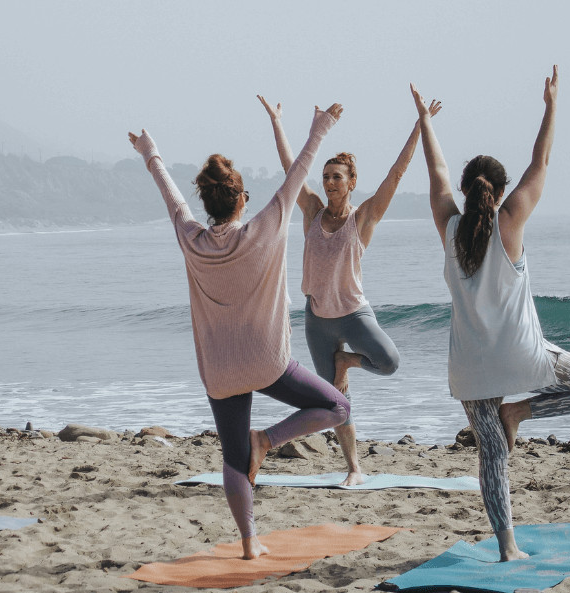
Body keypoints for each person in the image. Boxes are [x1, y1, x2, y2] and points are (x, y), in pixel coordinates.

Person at [412, 66, 570, 561]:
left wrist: (426, 122)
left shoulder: (448, 228)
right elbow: (541, 161)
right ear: (500, 192)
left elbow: (435, 175)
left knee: (492, 456)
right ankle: (521, 410)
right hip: (524, 358)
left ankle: (508, 547)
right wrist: (550, 107)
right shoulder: (511, 222)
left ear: (465, 191)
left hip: (470, 369)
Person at [127, 104, 350, 560]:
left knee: (232, 459)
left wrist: (150, 153)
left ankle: (249, 544)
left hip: (221, 372)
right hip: (268, 363)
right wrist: (321, 127)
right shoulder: (264, 229)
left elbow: (171, 196)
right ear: (242, 198)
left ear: (208, 205)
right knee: (337, 406)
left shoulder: (190, 238)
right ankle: (267, 440)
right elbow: (299, 173)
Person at [257, 94, 441, 486]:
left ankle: (347, 362)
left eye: (336, 176)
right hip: (317, 319)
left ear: (352, 182)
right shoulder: (310, 212)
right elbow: (293, 167)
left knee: (389, 362)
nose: (328, 182)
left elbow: (397, 173)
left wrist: (418, 126)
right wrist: (276, 121)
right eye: (325, 176)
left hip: (355, 315)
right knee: (337, 405)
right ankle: (354, 468)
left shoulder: (365, 218)